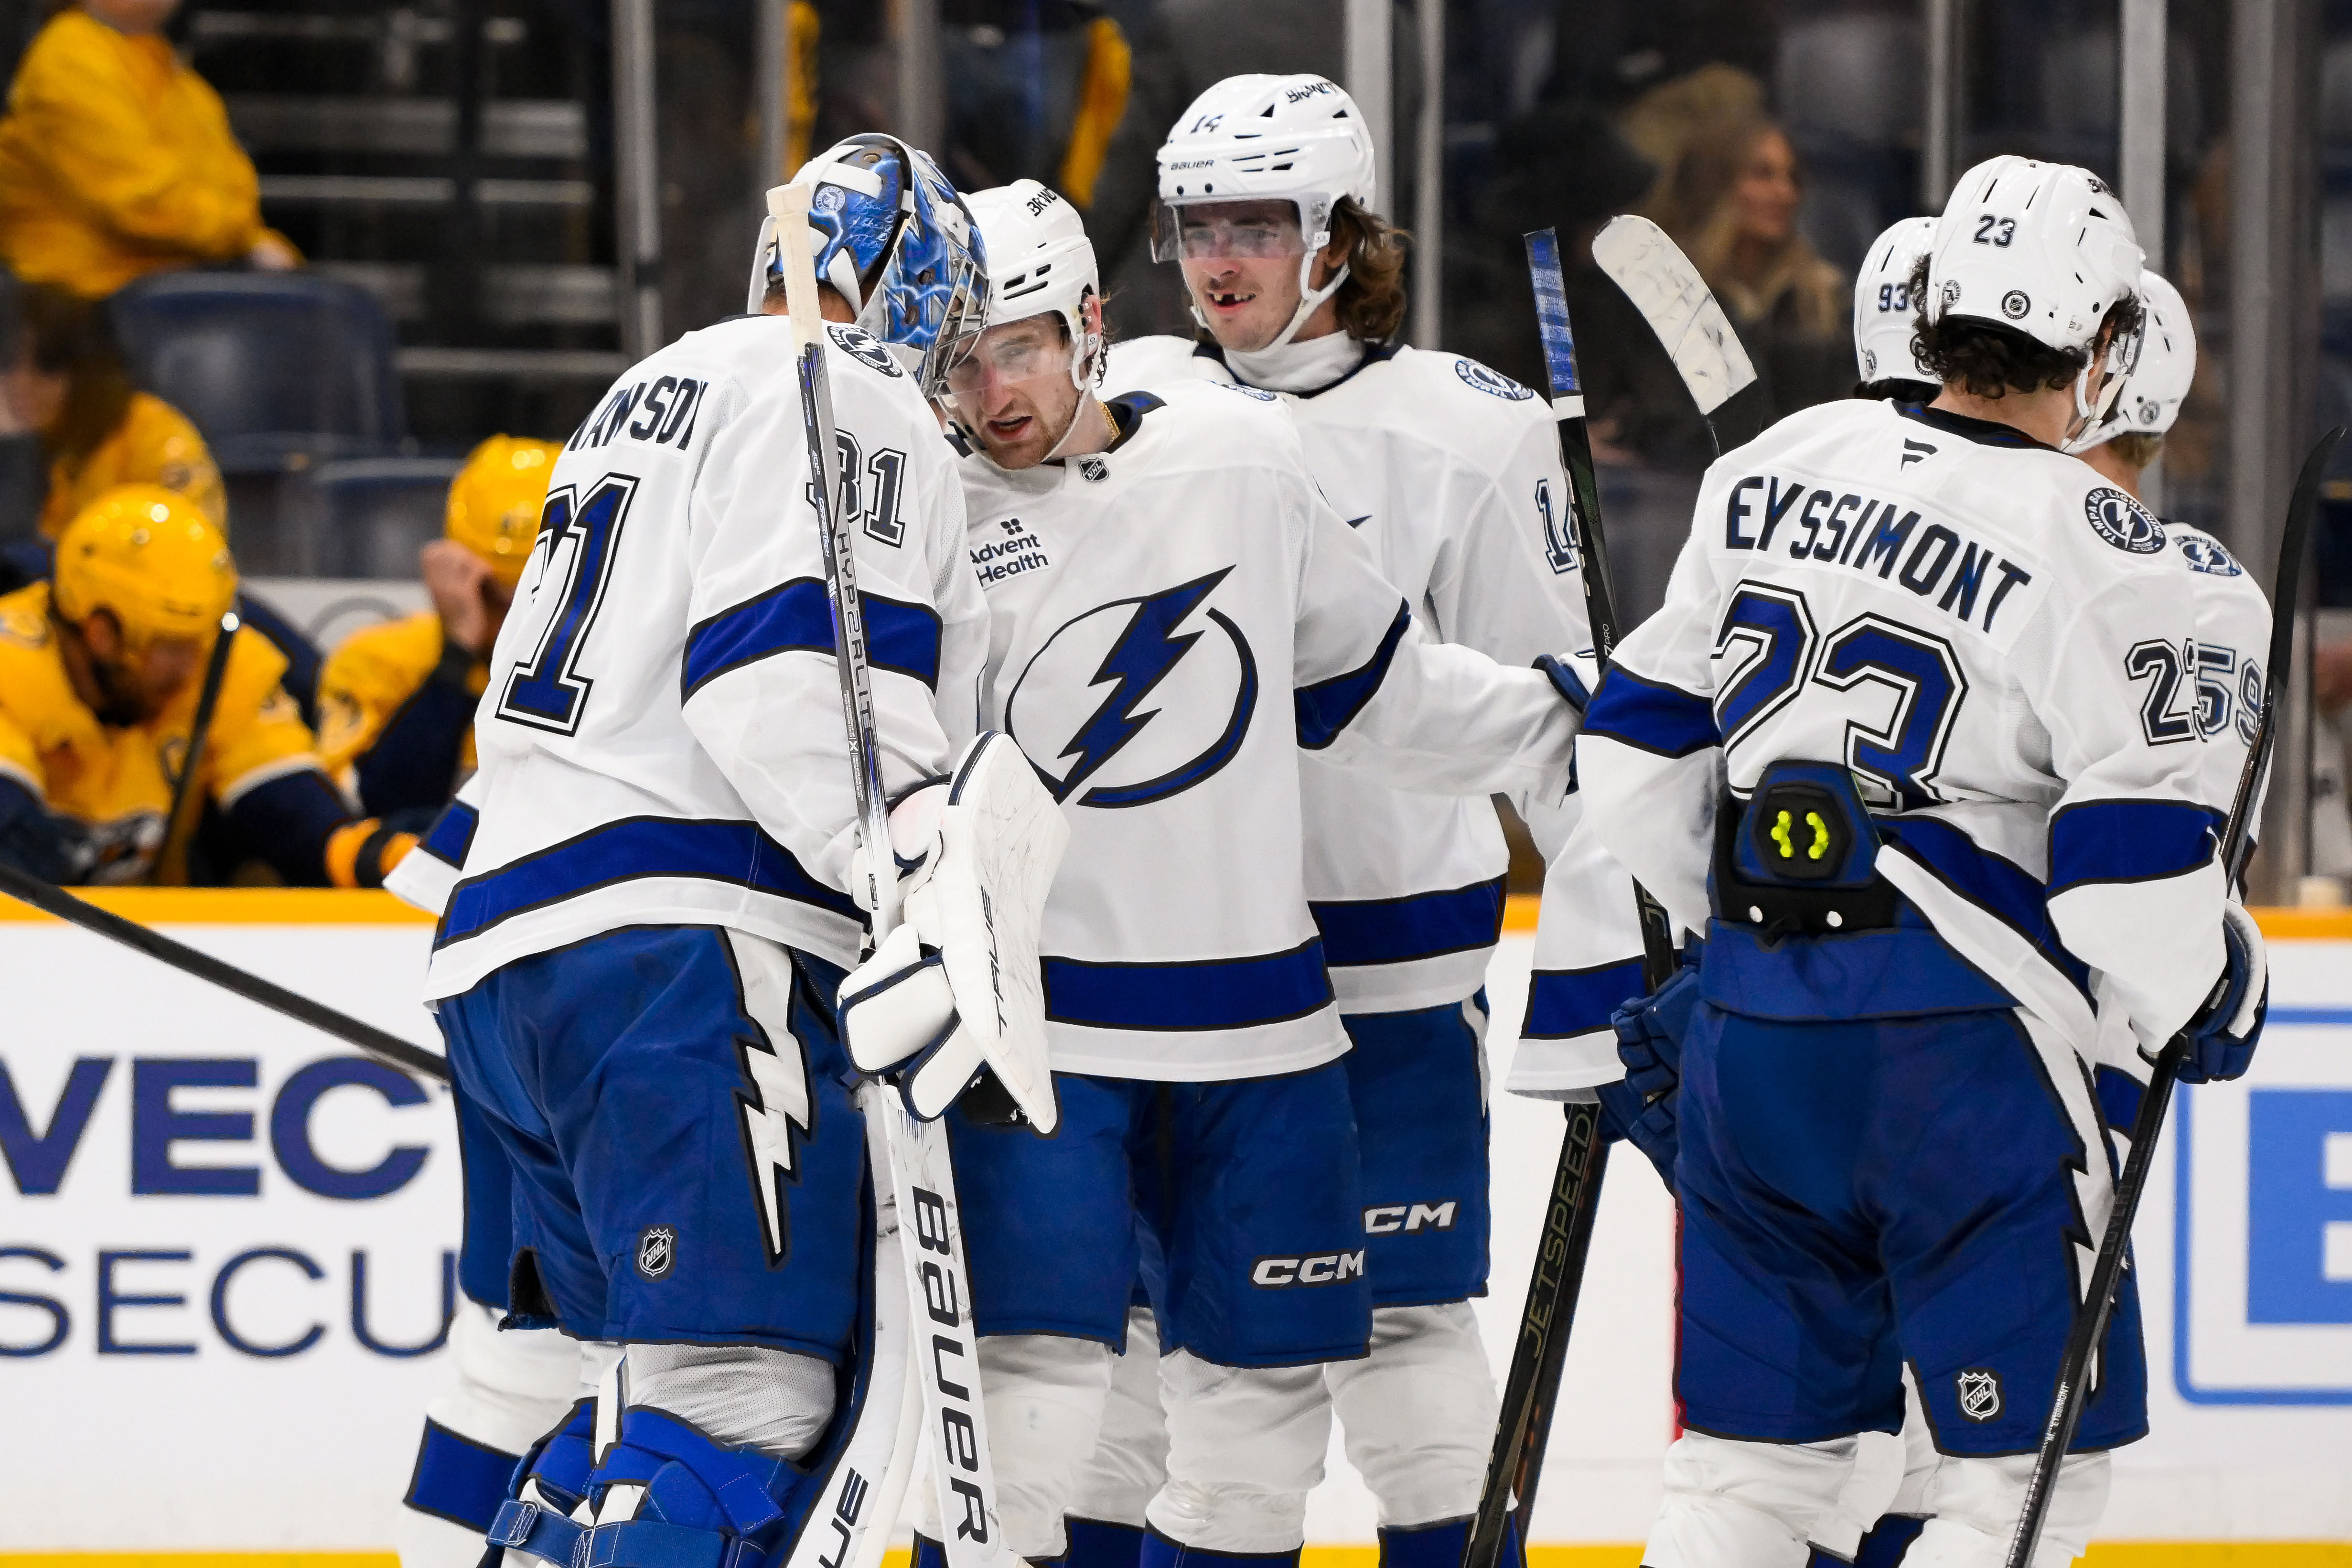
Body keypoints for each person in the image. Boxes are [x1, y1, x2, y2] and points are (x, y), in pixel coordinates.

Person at [1564, 156, 2265, 1568]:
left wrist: (1760, 939)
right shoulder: (2114, 551)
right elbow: (2126, 879)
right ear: (2106, 342)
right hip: (1961, 1068)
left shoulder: (1772, 467)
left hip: (1753, 1037)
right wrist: (2222, 992)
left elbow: (1633, 755)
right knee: (2020, 1487)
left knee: (1748, 1477)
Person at [911, 175, 1583, 1568]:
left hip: (1264, 1037)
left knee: (1254, 1434)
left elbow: (1384, 690)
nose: (993, 388)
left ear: (1092, 322)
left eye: (1021, 342)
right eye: (959, 357)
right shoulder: (925, 514)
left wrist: (1573, 714)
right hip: (1047, 1040)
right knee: (1029, 1417)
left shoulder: (1241, 460)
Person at [420, 134, 1064, 1568]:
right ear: (921, 300)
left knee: (621, 1393)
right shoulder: (845, 391)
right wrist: (908, 878)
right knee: (736, 1397)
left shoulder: (646, 391)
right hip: (691, 941)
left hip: (518, 952)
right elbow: (785, 675)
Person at [1086, 72, 1594, 1568]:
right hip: (1157, 966)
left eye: (1255, 223)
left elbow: (1558, 720)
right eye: (1194, 225)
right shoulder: (1135, 402)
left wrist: (1623, 943)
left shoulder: (1471, 430)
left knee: (1404, 1320)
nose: (1216, 260)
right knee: (1122, 1342)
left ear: (1340, 234)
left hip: (1386, 972)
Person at [0, 483, 412, 887]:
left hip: (155, 936)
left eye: (203, 639)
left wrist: (395, 861)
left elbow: (297, 818)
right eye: (172, 645)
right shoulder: (10, 659)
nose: (192, 666)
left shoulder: (221, 659)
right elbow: (9, 836)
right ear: (101, 633)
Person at [317, 436, 557, 823]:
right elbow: (370, 816)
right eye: (494, 598)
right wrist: (456, 658)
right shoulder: (374, 661)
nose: (513, 624)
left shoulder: (616, 672)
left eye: (535, 600)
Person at [0, 0, 297, 298]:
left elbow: (231, 185)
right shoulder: (70, 57)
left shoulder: (165, 67)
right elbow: (140, 205)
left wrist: (254, 241)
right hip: (90, 297)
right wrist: (244, 240)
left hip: (170, 288)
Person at [1639, 81, 1848, 420]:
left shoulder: (1824, 296)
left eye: (1792, 177)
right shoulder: (1668, 296)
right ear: (1716, 184)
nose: (1785, 193)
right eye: (1763, 175)